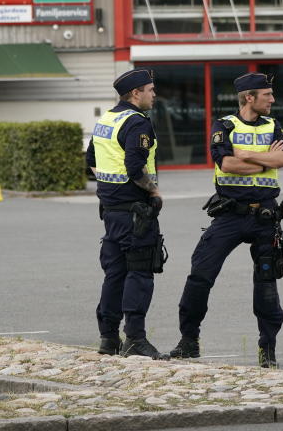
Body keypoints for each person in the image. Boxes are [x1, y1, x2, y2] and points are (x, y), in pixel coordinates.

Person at [166, 72, 283, 368]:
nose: (273, 100)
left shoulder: (274, 126)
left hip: (265, 214)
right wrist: (265, 159)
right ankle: (188, 342)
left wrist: (247, 154)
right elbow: (226, 163)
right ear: (249, 97)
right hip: (229, 215)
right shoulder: (224, 125)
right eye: (267, 95)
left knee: (266, 282)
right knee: (200, 274)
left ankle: (267, 350)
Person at [85, 67, 166, 359]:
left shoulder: (106, 119)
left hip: (111, 211)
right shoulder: (137, 122)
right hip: (136, 213)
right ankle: (135, 338)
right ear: (136, 93)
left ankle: (108, 339)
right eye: (150, 89)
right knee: (140, 273)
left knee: (114, 275)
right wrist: (153, 191)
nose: (154, 94)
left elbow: (91, 161)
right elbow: (134, 167)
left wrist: (110, 188)